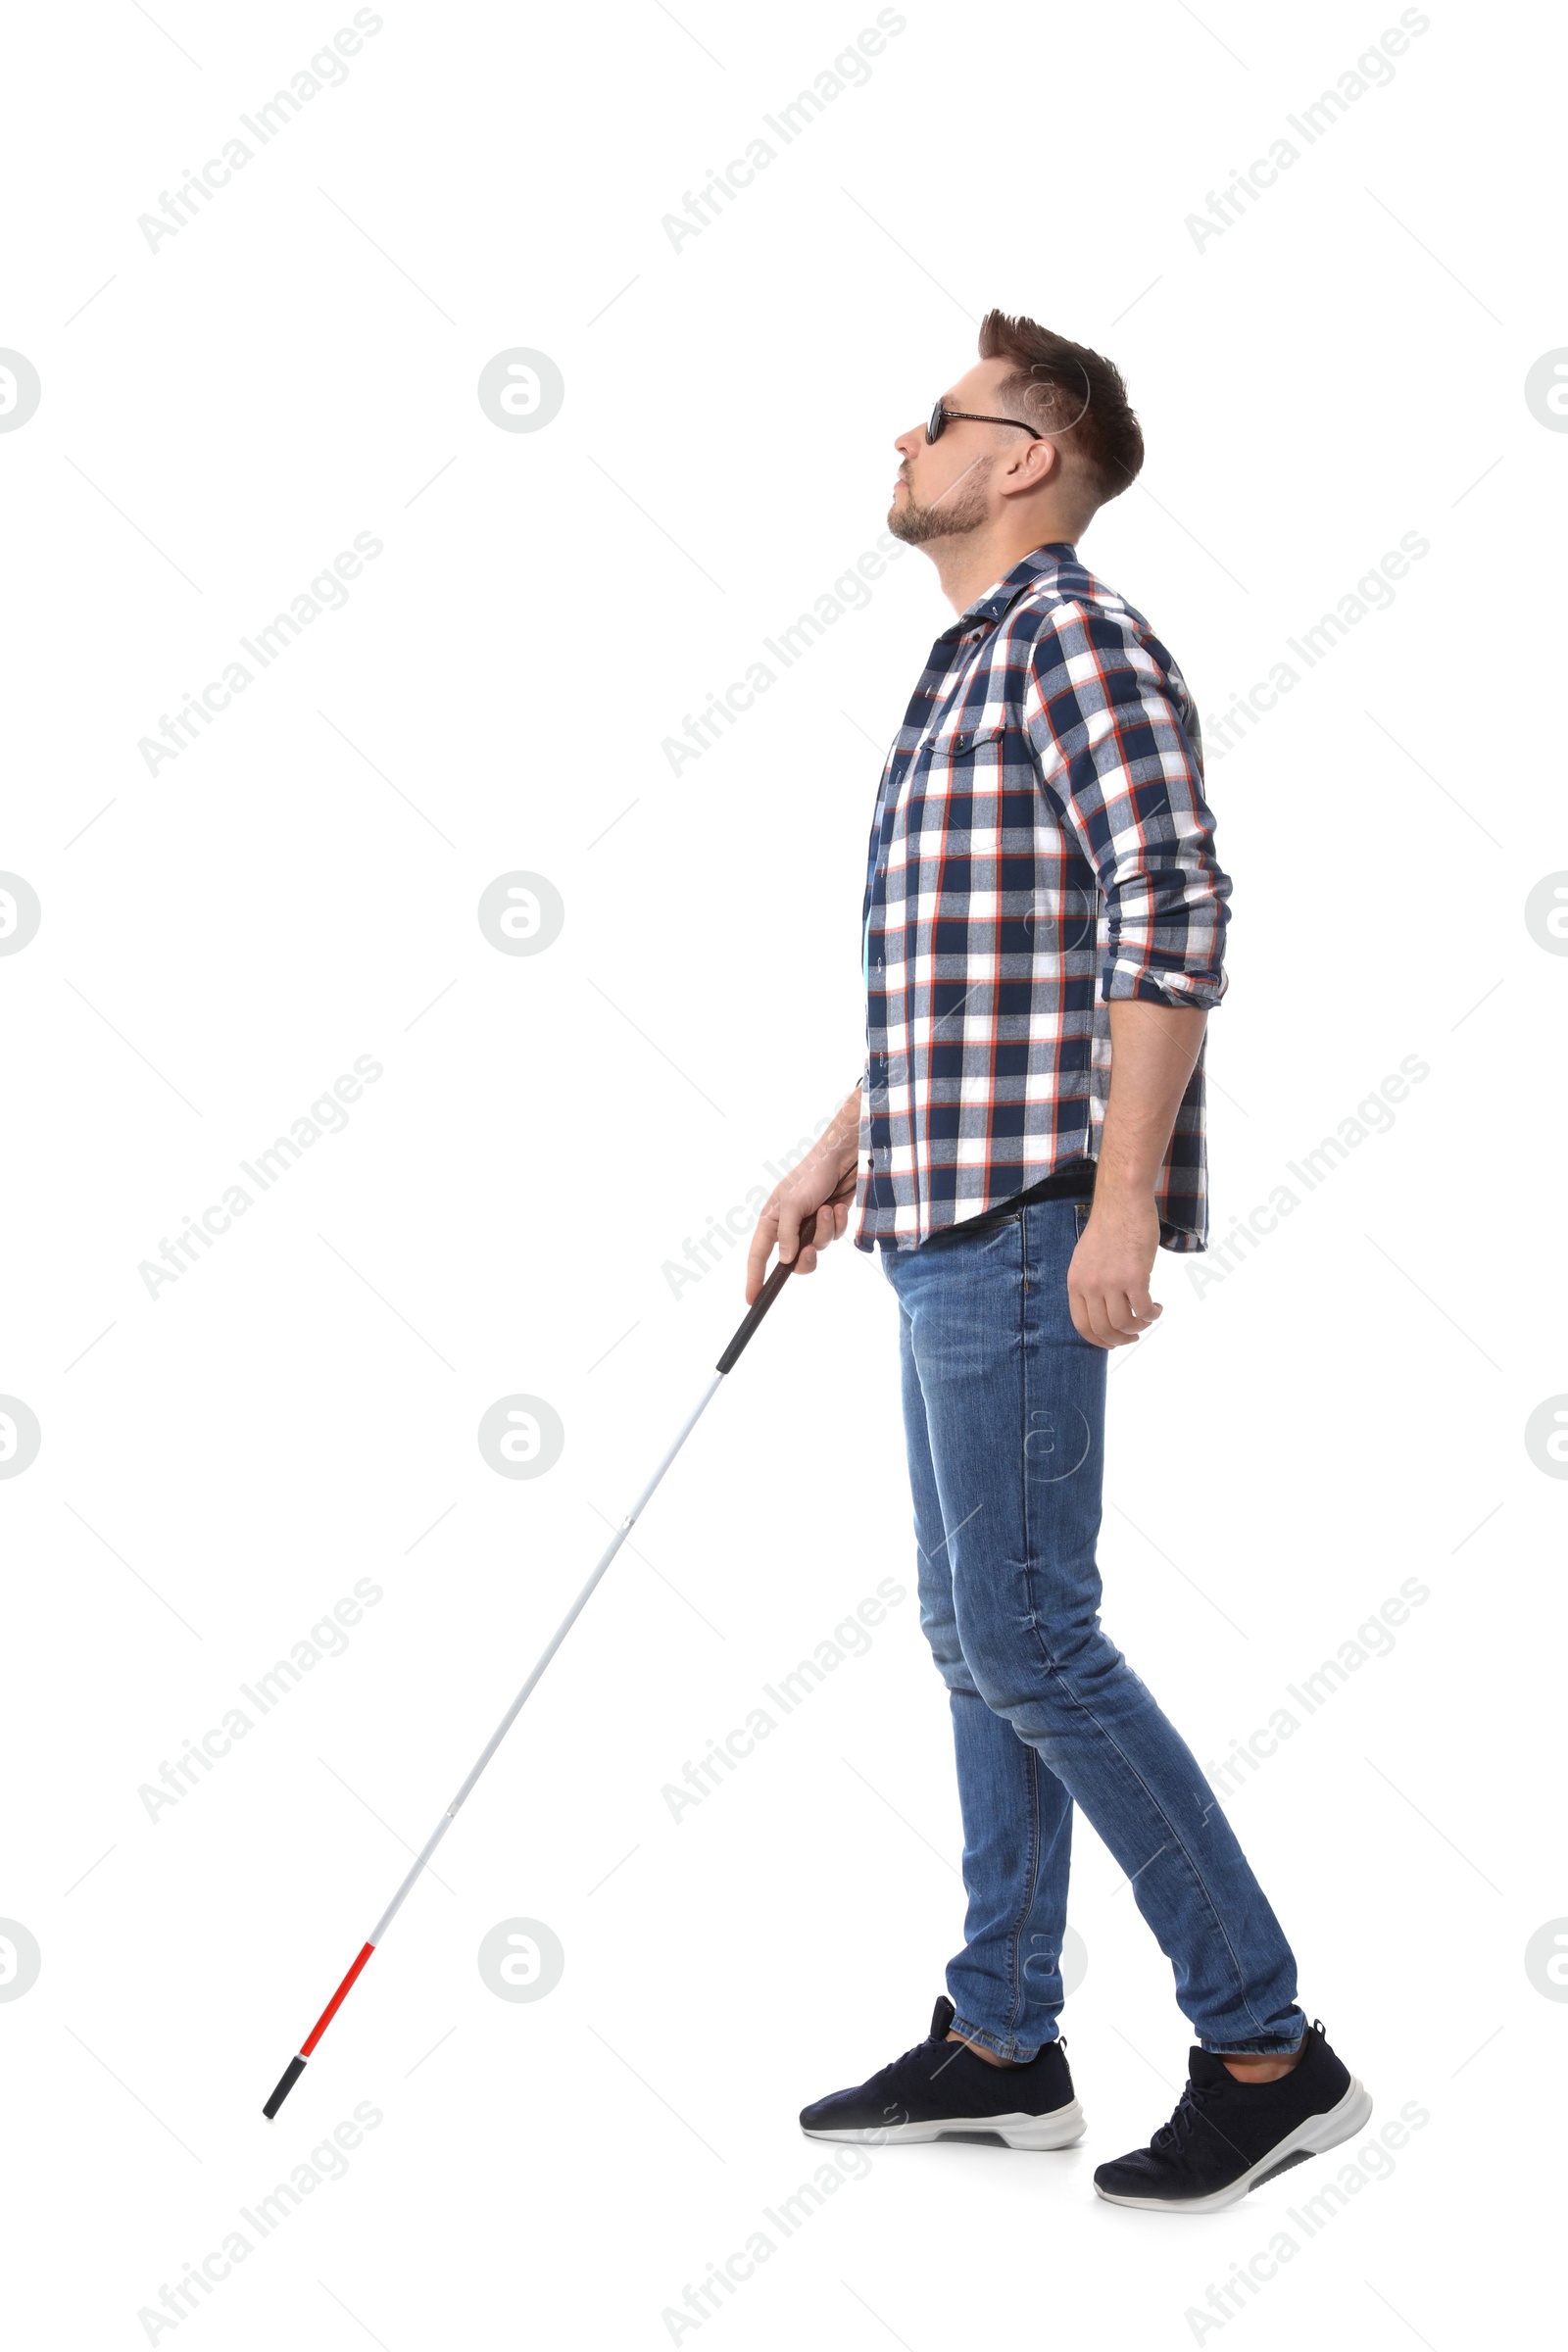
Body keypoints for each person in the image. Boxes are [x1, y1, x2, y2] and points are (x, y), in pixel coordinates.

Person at [743, 314, 1369, 2211]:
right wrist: (833, 1150)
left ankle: (1264, 2047)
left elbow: (1168, 902)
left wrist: (1118, 1201)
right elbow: (973, 974)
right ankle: (1000, 2036)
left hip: (1024, 1217)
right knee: (973, 1634)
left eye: (938, 416)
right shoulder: (965, 670)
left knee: (1023, 1631)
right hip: (938, 1208)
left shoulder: (1076, 639)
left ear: (1024, 456)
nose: (906, 434)